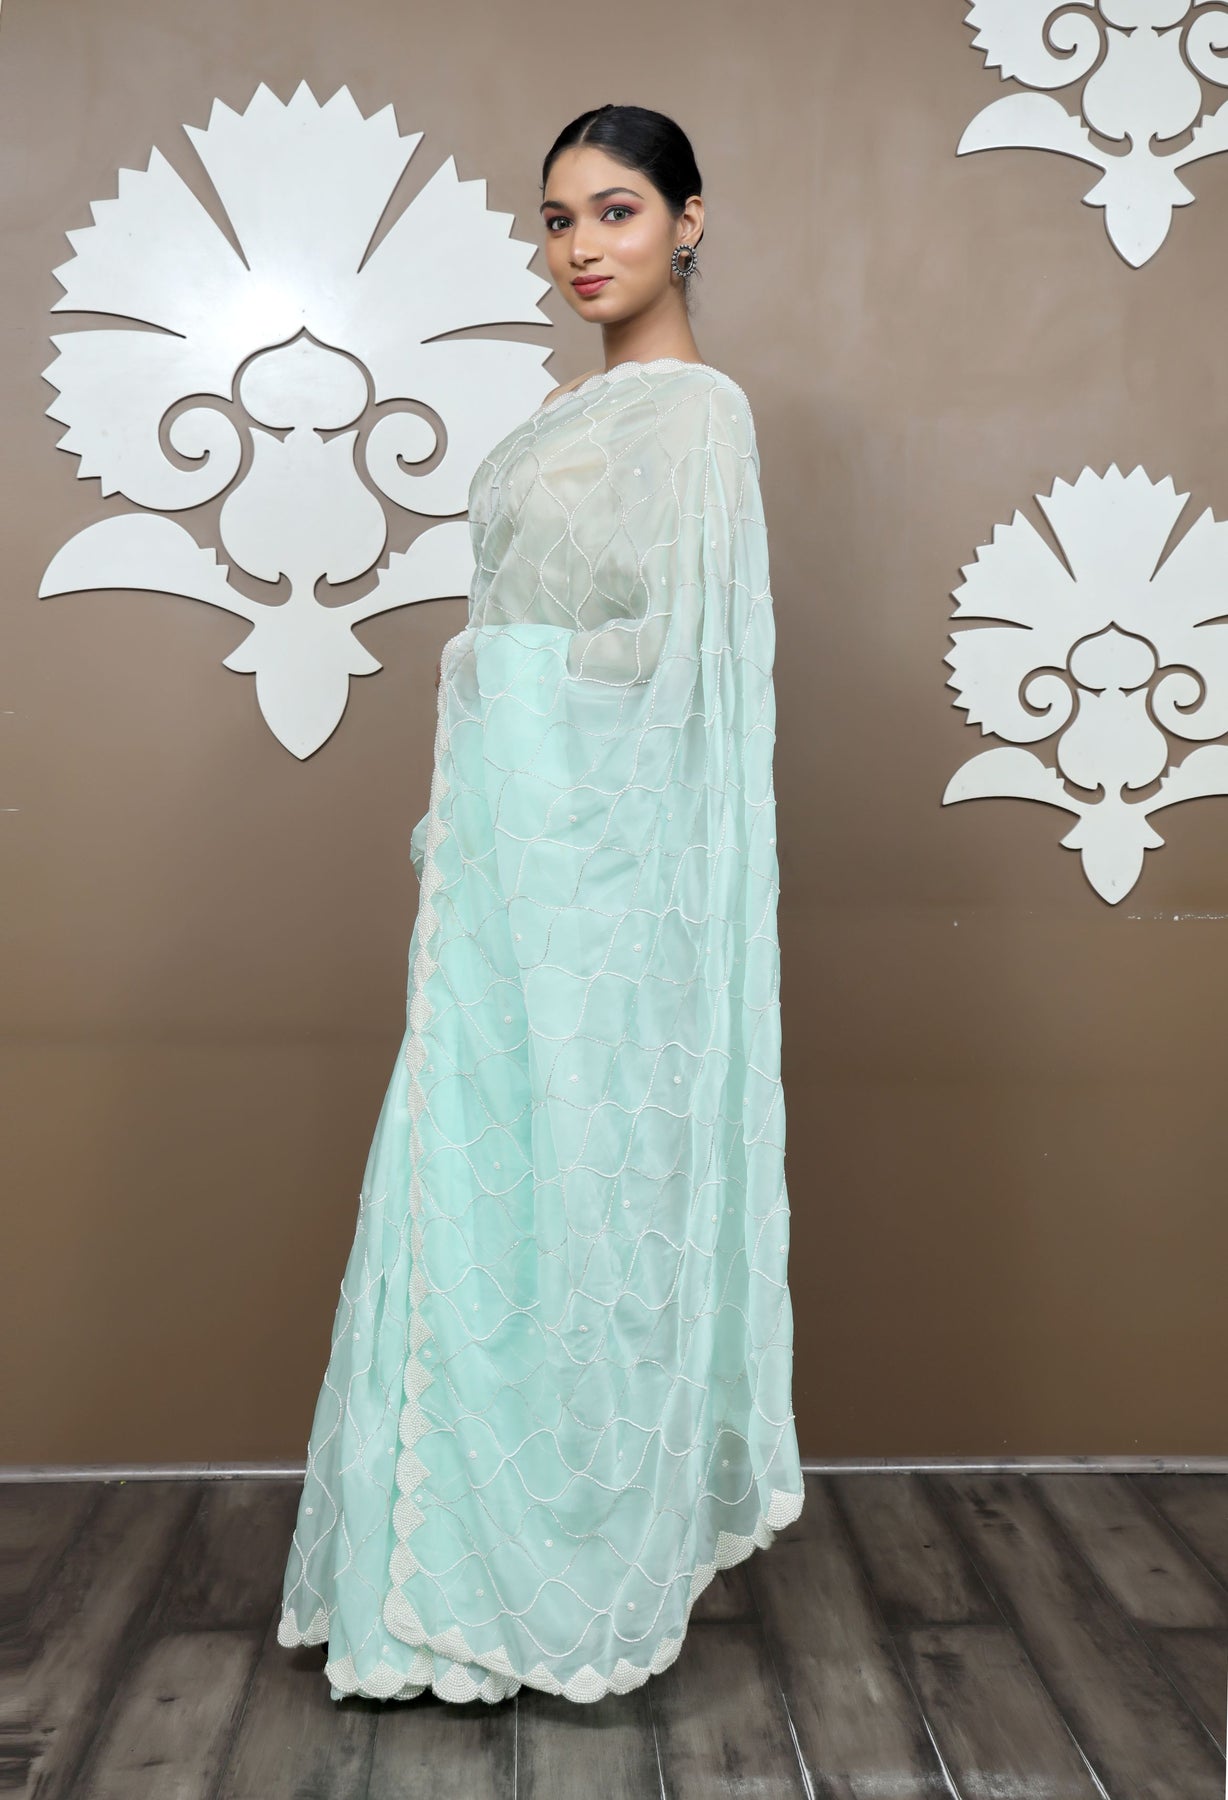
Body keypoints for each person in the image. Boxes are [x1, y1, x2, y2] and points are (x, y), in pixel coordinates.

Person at [277, 103, 804, 1706]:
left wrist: (492, 674)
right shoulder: (569, 414)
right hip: (511, 867)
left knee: (586, 1186)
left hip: (612, 884)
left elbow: (678, 662)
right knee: (479, 1183)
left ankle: (569, 1567)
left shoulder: (696, 416)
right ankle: (436, 1581)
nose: (582, 246)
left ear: (691, 221)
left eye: (618, 211)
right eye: (560, 218)